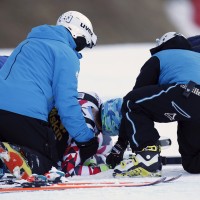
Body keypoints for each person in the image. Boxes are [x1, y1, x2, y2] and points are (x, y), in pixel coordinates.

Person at [0, 11, 98, 179]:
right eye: (83, 44)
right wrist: (86, 140)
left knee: (11, 144)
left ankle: (6, 158)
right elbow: (66, 103)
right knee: (49, 165)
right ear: (77, 34)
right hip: (26, 115)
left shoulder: (28, 43)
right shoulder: (66, 54)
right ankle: (18, 157)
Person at [106, 32, 200, 177]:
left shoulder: (160, 56)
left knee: (133, 101)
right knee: (193, 162)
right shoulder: (197, 56)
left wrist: (121, 144)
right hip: (191, 101)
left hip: (185, 93)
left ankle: (147, 158)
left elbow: (133, 100)